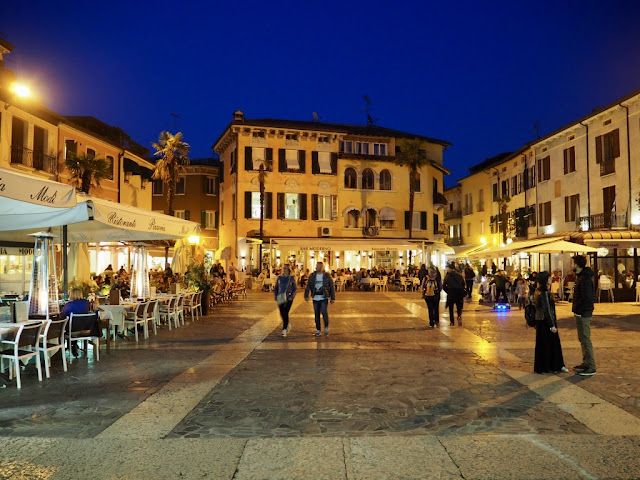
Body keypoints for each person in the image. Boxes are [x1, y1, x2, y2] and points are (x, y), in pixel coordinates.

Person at [533, 272, 568, 374]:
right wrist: (552, 324)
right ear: (545, 280)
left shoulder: (537, 291)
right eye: (549, 278)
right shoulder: (544, 293)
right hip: (546, 322)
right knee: (551, 344)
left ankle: (544, 367)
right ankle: (554, 366)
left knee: (542, 345)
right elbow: (547, 309)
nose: (551, 279)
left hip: (540, 321)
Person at [572, 255, 596, 376]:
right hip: (580, 311)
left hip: (583, 312)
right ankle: (586, 362)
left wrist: (579, 310)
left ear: (577, 264)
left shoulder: (585, 279)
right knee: (582, 338)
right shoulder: (581, 277)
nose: (572, 265)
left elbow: (587, 298)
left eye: (573, 263)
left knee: (585, 338)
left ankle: (591, 365)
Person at [304, 261, 335, 336]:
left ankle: (326, 327)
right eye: (316, 266)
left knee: (324, 312)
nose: (316, 267)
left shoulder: (327, 276)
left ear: (321, 267)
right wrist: (306, 295)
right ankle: (318, 329)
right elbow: (308, 285)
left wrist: (332, 297)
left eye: (317, 266)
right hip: (315, 297)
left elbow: (331, 286)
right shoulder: (312, 275)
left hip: (324, 297)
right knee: (316, 314)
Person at [61, 287, 91, 357]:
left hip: (72, 330)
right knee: (76, 324)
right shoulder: (86, 303)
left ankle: (60, 351)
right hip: (85, 329)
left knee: (63, 328)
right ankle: (73, 345)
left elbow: (62, 316)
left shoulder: (69, 305)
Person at [274, 264, 297, 337]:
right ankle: (287, 324)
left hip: (288, 298)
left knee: (285, 312)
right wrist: (276, 296)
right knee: (281, 313)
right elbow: (276, 288)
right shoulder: (279, 278)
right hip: (280, 297)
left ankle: (284, 329)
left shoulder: (291, 278)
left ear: (288, 269)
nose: (284, 270)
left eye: (285, 268)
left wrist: (291, 296)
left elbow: (295, 288)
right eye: (283, 268)